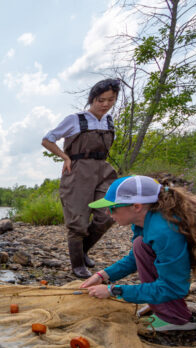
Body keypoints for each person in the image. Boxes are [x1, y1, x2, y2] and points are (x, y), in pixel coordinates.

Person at [81, 175, 196, 348]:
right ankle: (175, 317)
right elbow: (136, 256)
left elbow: (173, 287)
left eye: (112, 208)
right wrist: (103, 275)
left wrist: (114, 290)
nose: (107, 213)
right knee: (141, 245)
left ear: (137, 206)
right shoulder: (149, 218)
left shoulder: (164, 229)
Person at [42, 78, 121, 278]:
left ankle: (83, 250)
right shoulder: (76, 119)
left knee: (108, 214)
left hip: (103, 171)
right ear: (92, 99)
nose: (105, 104)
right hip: (77, 171)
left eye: (110, 100)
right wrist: (65, 157)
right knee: (78, 220)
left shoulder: (109, 121)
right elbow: (47, 139)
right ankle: (77, 265)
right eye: (101, 100)